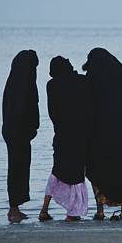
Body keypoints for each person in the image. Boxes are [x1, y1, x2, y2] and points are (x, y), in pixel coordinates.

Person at [82, 48, 122, 220]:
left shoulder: (93, 78)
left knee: (96, 170)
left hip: (99, 134)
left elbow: (89, 107)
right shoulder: (121, 74)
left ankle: (100, 210)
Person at [39, 56, 94, 222]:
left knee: (57, 170)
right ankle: (73, 212)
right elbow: (90, 106)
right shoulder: (82, 81)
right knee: (77, 173)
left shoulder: (52, 85)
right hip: (81, 134)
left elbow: (52, 112)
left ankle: (44, 209)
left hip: (62, 134)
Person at [2, 50, 39, 222]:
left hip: (14, 131)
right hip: (19, 132)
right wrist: (31, 128)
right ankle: (13, 209)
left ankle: (14, 207)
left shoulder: (13, 82)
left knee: (18, 169)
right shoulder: (24, 85)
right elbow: (25, 108)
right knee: (18, 169)